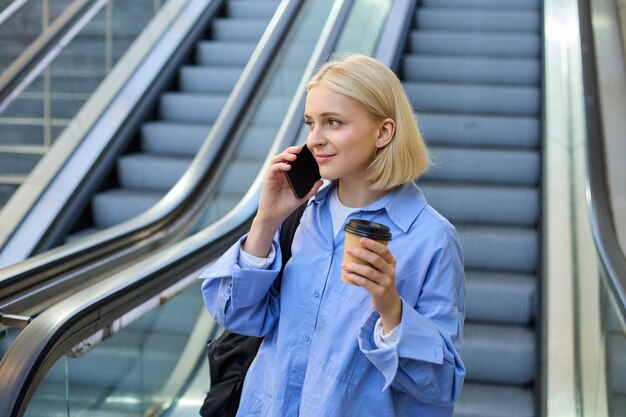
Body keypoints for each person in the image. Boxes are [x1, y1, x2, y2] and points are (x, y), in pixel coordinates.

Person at [200, 54, 465, 416]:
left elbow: (442, 386)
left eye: (333, 123)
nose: (314, 140)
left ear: (383, 132)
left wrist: (391, 308)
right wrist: (265, 221)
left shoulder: (430, 240)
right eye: (311, 123)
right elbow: (236, 315)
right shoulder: (302, 215)